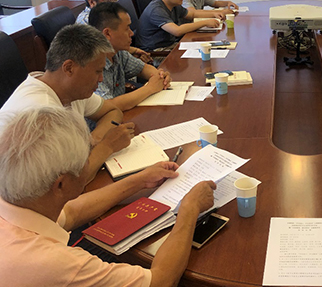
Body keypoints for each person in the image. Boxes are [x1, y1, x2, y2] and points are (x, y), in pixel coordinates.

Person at [0, 106, 216, 286]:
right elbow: (160, 280)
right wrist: (189, 208)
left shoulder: (22, 202)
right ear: (61, 184)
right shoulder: (58, 264)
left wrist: (139, 180)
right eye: (86, 159)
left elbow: (71, 213)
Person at [0, 24, 134, 180]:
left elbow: (112, 111)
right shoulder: (41, 114)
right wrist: (107, 146)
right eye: (97, 71)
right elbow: (69, 183)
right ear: (69, 68)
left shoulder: (71, 89)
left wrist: (94, 140)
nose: (101, 79)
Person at [89, 2, 172, 111]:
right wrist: (150, 88)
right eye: (127, 28)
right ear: (107, 33)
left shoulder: (118, 52)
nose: (131, 33)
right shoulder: (91, 62)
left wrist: (160, 77)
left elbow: (143, 68)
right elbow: (106, 106)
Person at [76, 0, 152, 62]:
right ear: (92, 2)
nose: (114, 3)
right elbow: (102, 51)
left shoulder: (110, 14)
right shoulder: (85, 22)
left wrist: (132, 52)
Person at [136, 0, 221, 51]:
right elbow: (177, 31)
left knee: (205, 47)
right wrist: (205, 22)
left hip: (170, 45)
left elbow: (192, 14)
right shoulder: (156, 10)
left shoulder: (174, 5)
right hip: (154, 52)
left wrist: (214, 14)